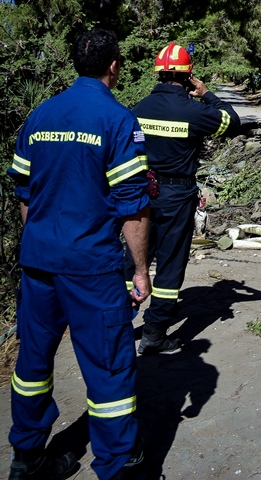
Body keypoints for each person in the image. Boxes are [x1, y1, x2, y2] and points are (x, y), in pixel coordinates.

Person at [6, 28, 151, 480]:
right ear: (114, 66)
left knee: (31, 363)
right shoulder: (117, 119)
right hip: (91, 266)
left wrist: (42, 241)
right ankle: (117, 465)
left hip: (38, 262)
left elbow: (24, 193)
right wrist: (142, 271)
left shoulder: (41, 114)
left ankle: (27, 458)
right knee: (108, 367)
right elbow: (134, 206)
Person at [125, 42, 241, 355]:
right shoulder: (195, 110)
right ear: (189, 76)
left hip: (141, 192)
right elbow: (233, 121)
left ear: (159, 73)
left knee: (136, 258)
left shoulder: (139, 109)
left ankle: (119, 325)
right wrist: (207, 94)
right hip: (177, 195)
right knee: (170, 263)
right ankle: (154, 332)